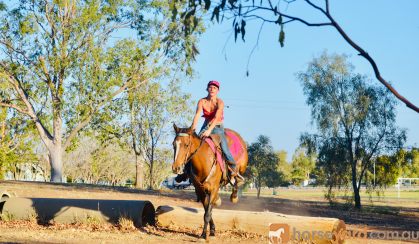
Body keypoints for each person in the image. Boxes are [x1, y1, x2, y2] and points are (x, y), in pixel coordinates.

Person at [175, 80, 241, 183]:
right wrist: (192, 128)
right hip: (205, 126)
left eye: (214, 88)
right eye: (210, 87)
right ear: (207, 89)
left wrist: (209, 131)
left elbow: (216, 117)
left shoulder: (220, 102)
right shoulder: (202, 101)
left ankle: (234, 170)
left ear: (218, 91)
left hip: (217, 127)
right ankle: (185, 172)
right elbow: (197, 115)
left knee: (224, 147)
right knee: (193, 144)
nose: (212, 89)